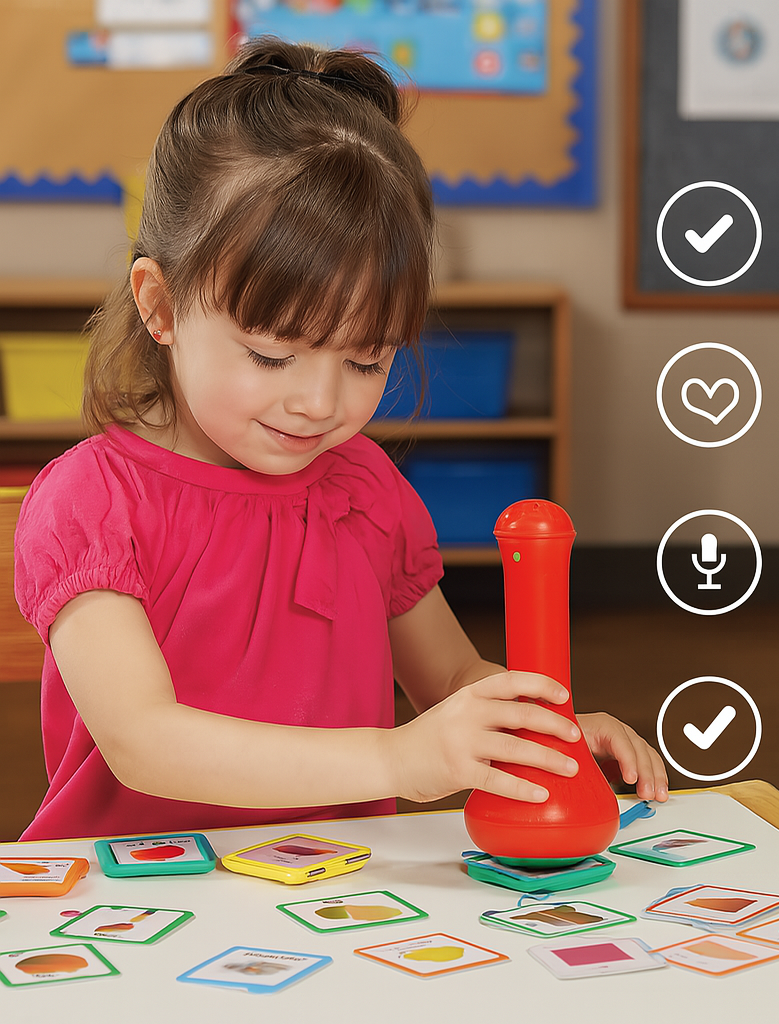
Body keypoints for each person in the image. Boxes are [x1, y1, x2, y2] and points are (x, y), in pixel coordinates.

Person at [14, 39, 667, 842]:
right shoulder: (93, 503)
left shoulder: (360, 487)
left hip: (340, 897)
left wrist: (544, 728)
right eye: (272, 355)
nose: (319, 402)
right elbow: (144, 742)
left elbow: (451, 678)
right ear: (161, 305)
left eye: (366, 359)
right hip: (131, 908)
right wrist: (395, 762)